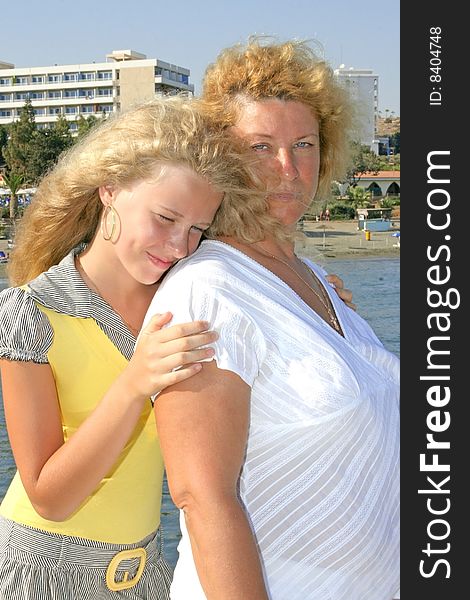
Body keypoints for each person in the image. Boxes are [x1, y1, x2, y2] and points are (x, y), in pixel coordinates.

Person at [145, 38, 400, 600]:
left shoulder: (315, 278)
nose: (288, 169)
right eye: (261, 147)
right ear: (219, 158)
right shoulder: (206, 291)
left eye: (303, 144)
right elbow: (201, 496)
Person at [0, 96, 256, 599]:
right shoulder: (27, 314)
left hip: (146, 576)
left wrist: (317, 300)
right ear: (110, 190)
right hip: (40, 575)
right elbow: (49, 497)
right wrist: (136, 382)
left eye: (197, 230)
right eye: (165, 218)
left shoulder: (187, 302)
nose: (179, 247)